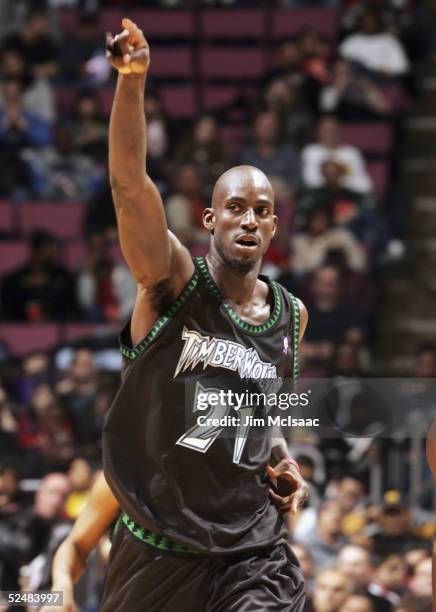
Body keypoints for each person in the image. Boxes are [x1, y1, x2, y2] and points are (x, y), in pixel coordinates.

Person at [102, 18, 309, 611]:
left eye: (261, 210)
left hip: (252, 548)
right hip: (160, 547)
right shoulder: (170, 282)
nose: (248, 219)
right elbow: (128, 187)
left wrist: (280, 459)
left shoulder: (291, 316)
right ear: (210, 218)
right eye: (235, 207)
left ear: (273, 224)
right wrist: (132, 82)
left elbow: (264, 414)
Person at [40, 472, 119, 612]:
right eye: (52, 492)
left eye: (63, 495)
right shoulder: (61, 535)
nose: (56, 500)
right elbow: (38, 592)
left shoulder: (105, 538)